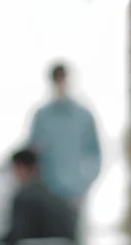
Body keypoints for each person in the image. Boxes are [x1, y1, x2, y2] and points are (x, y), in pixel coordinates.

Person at [28, 61, 102, 207]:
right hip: (48, 197)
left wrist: (82, 185)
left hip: (75, 197)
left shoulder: (84, 116)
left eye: (63, 79)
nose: (60, 84)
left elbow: (94, 156)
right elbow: (33, 154)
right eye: (57, 79)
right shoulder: (42, 117)